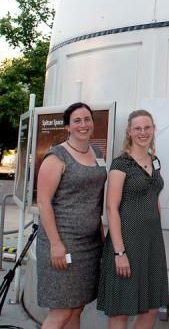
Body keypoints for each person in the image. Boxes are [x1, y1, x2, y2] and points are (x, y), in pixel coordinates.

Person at [36, 102, 108, 329]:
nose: (83, 125)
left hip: (89, 245)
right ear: (67, 126)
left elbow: (96, 198)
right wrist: (56, 244)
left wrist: (101, 234)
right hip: (63, 243)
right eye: (77, 120)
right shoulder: (56, 157)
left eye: (87, 119)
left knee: (77, 307)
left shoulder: (97, 153)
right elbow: (43, 202)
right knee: (62, 310)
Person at [97, 109, 168, 328]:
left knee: (152, 306)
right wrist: (120, 252)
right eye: (137, 128)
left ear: (153, 130)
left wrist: (157, 232)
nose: (142, 132)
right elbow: (111, 207)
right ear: (129, 131)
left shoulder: (155, 161)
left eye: (147, 127)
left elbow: (154, 197)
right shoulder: (121, 164)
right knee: (121, 309)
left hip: (152, 242)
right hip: (127, 241)